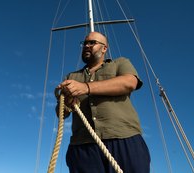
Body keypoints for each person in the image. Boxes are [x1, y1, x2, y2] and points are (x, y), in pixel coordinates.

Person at [55, 31, 150, 173]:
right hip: (83, 146)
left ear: (104, 48)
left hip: (124, 138)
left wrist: (85, 87)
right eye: (84, 43)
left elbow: (129, 83)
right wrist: (67, 102)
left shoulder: (120, 63)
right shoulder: (71, 76)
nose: (86, 45)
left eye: (92, 42)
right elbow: (61, 113)